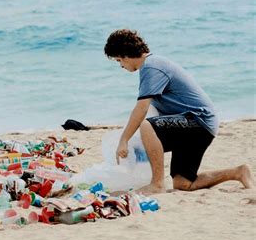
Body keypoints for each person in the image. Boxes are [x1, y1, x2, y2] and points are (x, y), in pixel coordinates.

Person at [104, 29, 254, 194]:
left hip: (198, 121)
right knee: (183, 184)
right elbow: (158, 115)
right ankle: (238, 172)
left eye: (119, 60)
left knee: (147, 126)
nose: (121, 66)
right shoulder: (152, 66)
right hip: (198, 127)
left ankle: (157, 184)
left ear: (125, 54)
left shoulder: (151, 66)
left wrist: (124, 140)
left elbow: (142, 109)